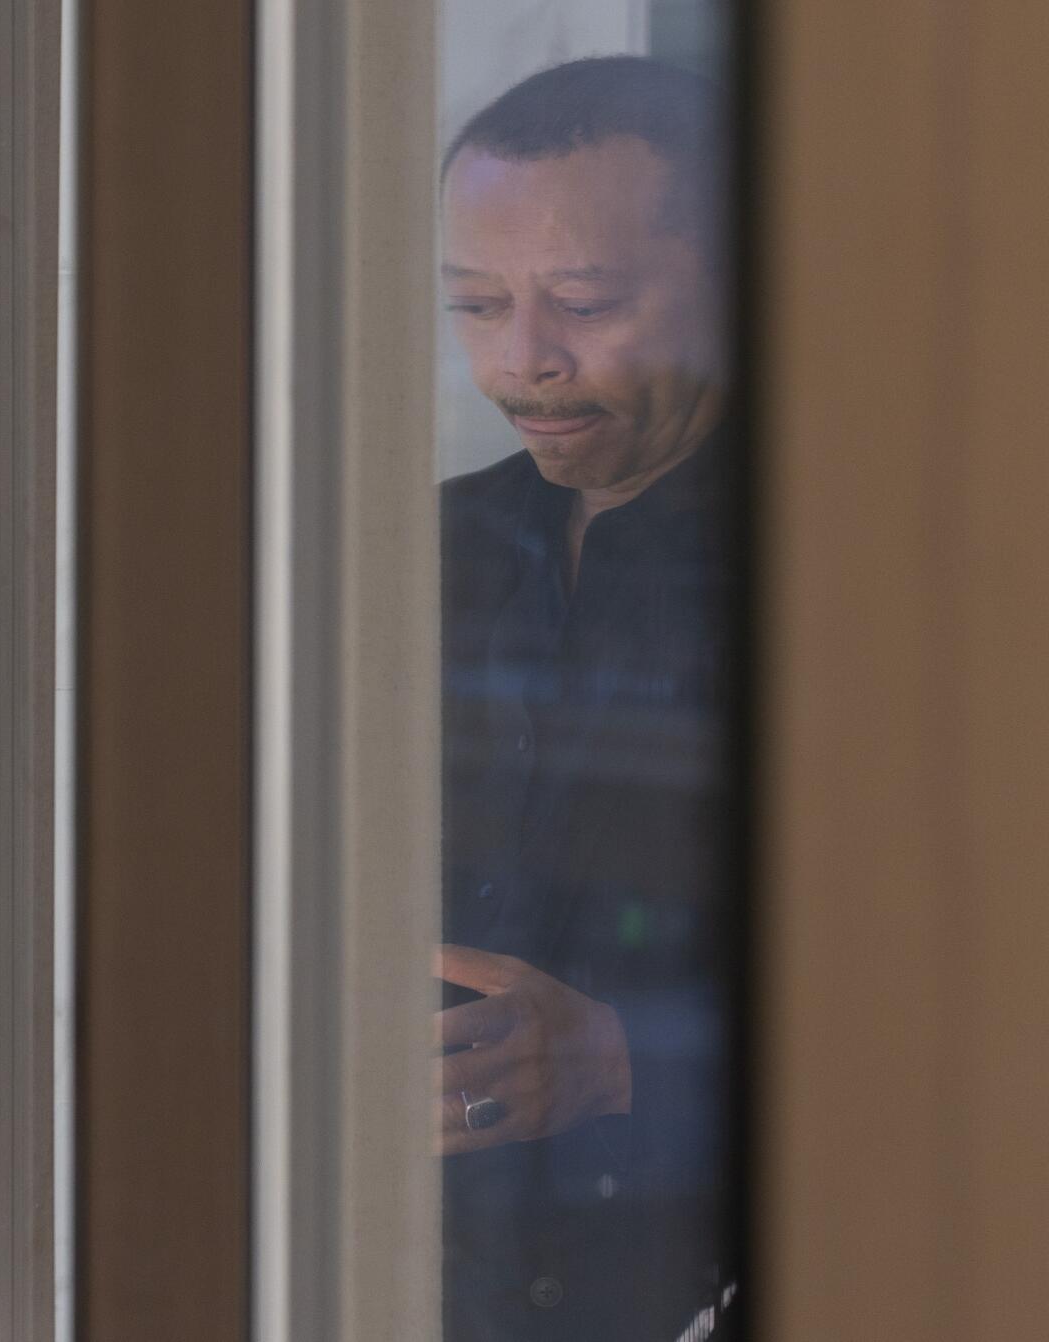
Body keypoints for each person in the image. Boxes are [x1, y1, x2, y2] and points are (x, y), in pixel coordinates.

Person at [436, 56, 740, 1341]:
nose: (523, 363)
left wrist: (627, 1059)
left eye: (582, 300)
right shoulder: (401, 559)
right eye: (472, 304)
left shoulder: (881, 598)